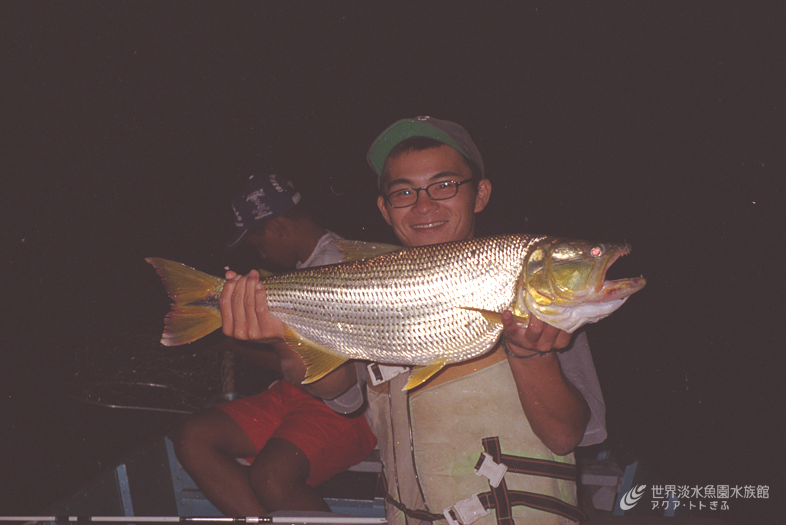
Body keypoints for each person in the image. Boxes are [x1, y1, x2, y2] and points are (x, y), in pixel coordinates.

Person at [219, 119, 607, 524]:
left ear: (480, 193)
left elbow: (566, 436)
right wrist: (284, 335)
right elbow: (337, 390)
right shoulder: (374, 285)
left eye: (444, 185)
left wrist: (532, 355)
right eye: (403, 192)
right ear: (385, 209)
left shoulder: (529, 288)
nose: (424, 206)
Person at [171, 174, 376, 517]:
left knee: (270, 478)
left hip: (349, 407)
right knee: (193, 438)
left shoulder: (339, 266)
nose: (261, 252)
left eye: (258, 242)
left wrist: (237, 346)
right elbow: (294, 368)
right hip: (297, 393)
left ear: (278, 226)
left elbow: (331, 379)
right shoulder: (305, 269)